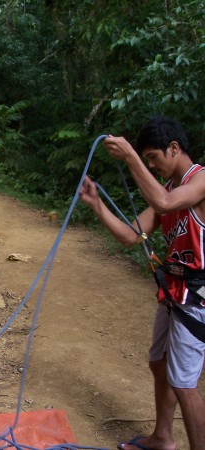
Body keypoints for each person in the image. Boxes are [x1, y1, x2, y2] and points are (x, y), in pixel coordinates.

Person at [79, 116, 205, 450]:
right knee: (158, 363)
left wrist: (131, 157)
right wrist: (97, 206)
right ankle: (163, 436)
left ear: (174, 148)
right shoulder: (168, 190)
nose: (151, 164)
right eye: (146, 158)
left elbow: (163, 205)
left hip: (197, 297)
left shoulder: (200, 181)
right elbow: (131, 236)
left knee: (184, 383)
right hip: (175, 293)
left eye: (153, 157)